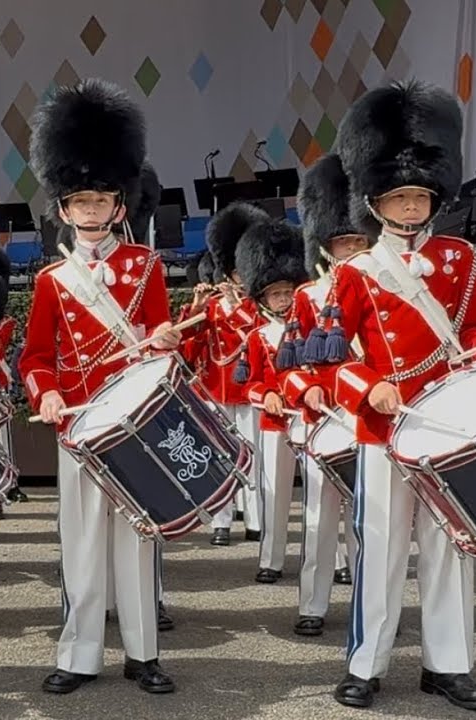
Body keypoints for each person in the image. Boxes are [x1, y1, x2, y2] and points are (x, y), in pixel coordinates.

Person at [307, 80, 476, 711]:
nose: (409, 207)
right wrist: (366, 385)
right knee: (378, 547)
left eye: (418, 196)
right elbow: (326, 355)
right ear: (375, 202)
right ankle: (366, 663)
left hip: (447, 423)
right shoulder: (354, 272)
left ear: (434, 196)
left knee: (449, 545)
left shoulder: (459, 258)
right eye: (398, 197)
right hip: (384, 427)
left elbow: (475, 332)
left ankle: (448, 664)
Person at [20, 78, 180, 695]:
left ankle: (143, 652)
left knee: (137, 538)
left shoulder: (147, 267)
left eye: (101, 200)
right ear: (64, 209)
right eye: (79, 201)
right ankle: (79, 652)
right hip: (79, 422)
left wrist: (167, 340)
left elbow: (166, 333)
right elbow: (36, 357)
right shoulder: (51, 280)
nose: (90, 211)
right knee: (81, 542)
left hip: (133, 418)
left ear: (120, 205)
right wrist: (47, 393)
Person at [278, 152, 364, 637]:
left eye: (357, 238)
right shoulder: (309, 295)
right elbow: (288, 362)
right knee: (318, 517)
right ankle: (312, 604)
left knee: (371, 522)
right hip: (326, 417)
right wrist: (308, 389)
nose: (351, 247)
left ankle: (366, 601)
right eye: (342, 240)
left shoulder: (386, 283)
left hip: (374, 417)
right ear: (326, 244)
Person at [180, 202, 270, 547]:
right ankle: (221, 522)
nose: (238, 281)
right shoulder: (211, 307)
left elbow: (261, 340)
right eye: (233, 274)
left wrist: (237, 307)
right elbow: (186, 349)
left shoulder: (257, 308)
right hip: (216, 390)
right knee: (220, 457)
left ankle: (256, 519)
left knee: (255, 458)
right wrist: (197, 310)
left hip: (249, 389)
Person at [232, 219, 310, 584]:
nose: (283, 299)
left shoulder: (314, 328)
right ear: (263, 298)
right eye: (275, 294)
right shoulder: (258, 336)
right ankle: (271, 558)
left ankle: (335, 559)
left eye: (287, 291)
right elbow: (250, 383)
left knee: (320, 497)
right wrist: (267, 396)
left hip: (310, 416)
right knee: (273, 492)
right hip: (275, 420)